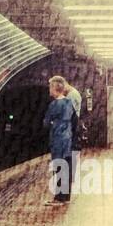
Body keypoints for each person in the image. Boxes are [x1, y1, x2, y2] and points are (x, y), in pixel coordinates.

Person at [43, 75, 74, 204]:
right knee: (65, 166)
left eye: (50, 87)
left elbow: (46, 122)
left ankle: (58, 198)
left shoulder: (54, 104)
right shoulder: (68, 102)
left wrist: (50, 124)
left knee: (58, 166)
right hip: (67, 137)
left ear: (55, 88)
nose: (49, 90)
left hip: (57, 138)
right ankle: (65, 197)